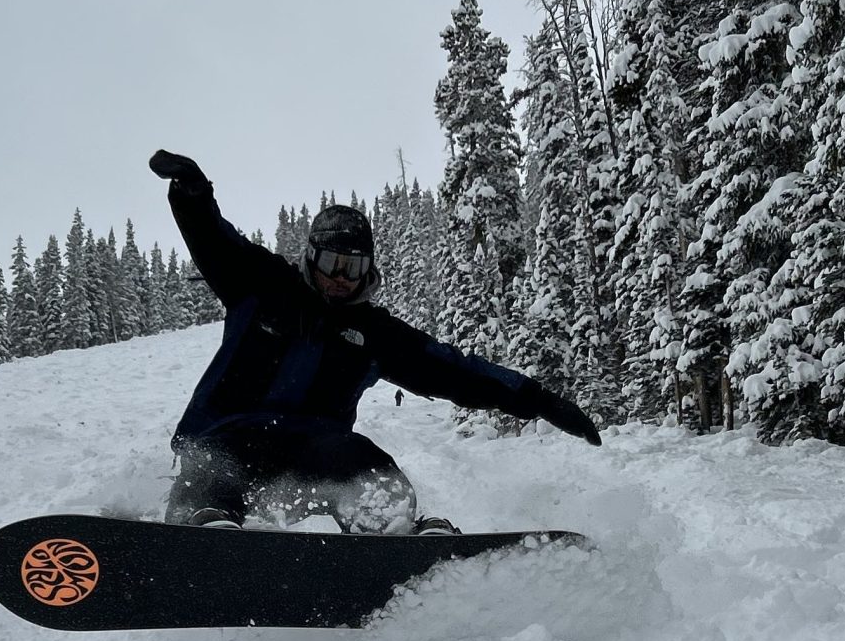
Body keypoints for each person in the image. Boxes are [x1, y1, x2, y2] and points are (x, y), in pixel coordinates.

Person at [148, 147, 598, 533]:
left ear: (370, 271)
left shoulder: (375, 335)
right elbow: (213, 240)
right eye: (331, 263)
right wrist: (192, 193)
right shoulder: (261, 284)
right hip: (227, 433)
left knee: (367, 463)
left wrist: (537, 399)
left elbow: (456, 371)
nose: (340, 279)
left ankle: (393, 535)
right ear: (311, 258)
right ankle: (204, 531)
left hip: (313, 448)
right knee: (211, 468)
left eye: (354, 267)